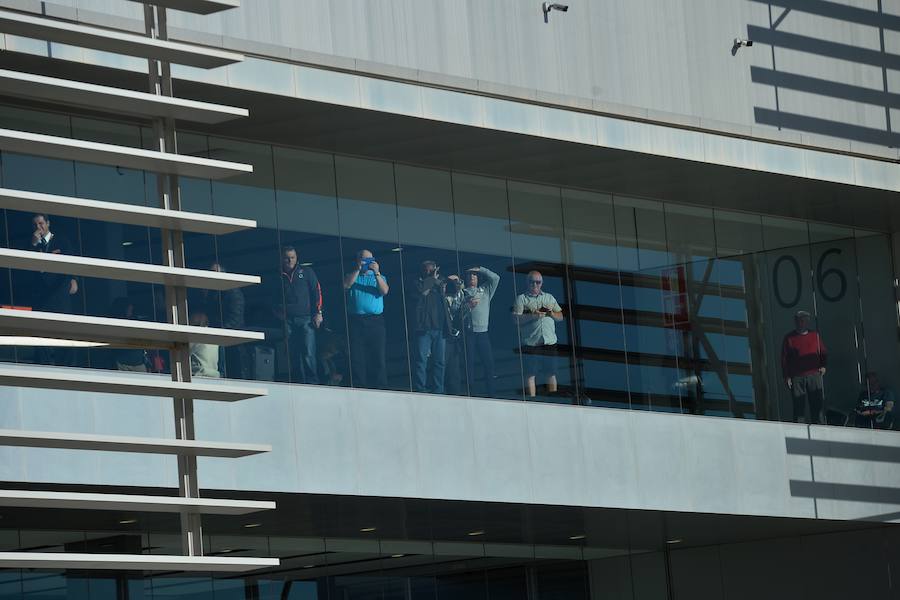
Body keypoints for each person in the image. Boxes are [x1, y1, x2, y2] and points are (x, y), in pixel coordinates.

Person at [513, 270, 564, 398]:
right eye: (532, 282)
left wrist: (551, 313)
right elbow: (515, 320)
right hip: (531, 343)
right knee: (530, 374)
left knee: (551, 373)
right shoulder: (521, 298)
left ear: (542, 283)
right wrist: (533, 316)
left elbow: (560, 316)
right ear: (527, 282)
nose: (535, 284)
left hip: (549, 342)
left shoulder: (549, 297)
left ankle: (553, 399)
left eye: (538, 282)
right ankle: (532, 401)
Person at [343, 249, 389, 389]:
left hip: (375, 321)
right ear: (358, 261)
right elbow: (346, 285)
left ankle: (380, 385)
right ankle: (359, 385)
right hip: (356, 321)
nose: (367, 263)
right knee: (357, 355)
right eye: (364, 260)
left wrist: (376, 273)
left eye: (370, 260)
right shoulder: (352, 276)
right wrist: (358, 269)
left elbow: (384, 291)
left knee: (378, 354)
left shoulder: (379, 277)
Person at [277, 246, 323, 384]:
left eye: (292, 257)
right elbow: (272, 296)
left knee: (308, 351)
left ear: (296, 258)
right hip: (288, 320)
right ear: (282, 259)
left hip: (306, 318)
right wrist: (278, 312)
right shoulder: (278, 276)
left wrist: (318, 312)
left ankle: (312, 381)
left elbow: (317, 291)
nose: (290, 260)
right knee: (292, 352)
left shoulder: (306, 271)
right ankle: (297, 381)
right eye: (287, 258)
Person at [409, 260, 453, 394]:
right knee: (421, 360)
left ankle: (438, 389)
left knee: (439, 361)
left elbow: (448, 290)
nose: (428, 272)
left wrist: (444, 283)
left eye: (431, 270)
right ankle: (420, 389)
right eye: (426, 270)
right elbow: (423, 292)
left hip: (439, 328)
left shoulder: (439, 283)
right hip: (424, 328)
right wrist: (432, 279)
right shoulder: (417, 282)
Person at [781, 310, 827, 424]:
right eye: (799, 320)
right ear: (795, 321)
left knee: (817, 404)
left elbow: (823, 351)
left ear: (807, 322)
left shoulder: (814, 335)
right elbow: (784, 359)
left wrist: (823, 365)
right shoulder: (789, 338)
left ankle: (819, 428)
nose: (802, 322)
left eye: (804, 320)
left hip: (814, 374)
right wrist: (787, 376)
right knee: (798, 406)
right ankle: (799, 430)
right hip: (797, 376)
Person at [27, 213, 77, 313]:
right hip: (41, 299)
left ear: (48, 223)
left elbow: (71, 264)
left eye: (41, 223)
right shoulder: (32, 244)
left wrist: (73, 279)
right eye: (35, 225)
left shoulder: (61, 241)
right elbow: (27, 267)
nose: (38, 227)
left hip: (59, 295)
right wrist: (33, 244)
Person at [462, 266, 501, 396]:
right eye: (469, 275)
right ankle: (470, 392)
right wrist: (468, 306)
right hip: (469, 333)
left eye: (474, 275)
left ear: (478, 277)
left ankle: (491, 392)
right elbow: (456, 312)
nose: (472, 277)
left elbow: (496, 278)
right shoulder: (462, 292)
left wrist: (481, 269)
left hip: (483, 333)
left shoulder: (485, 290)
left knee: (489, 363)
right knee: (469, 364)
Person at [444, 274, 468, 395]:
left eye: (458, 282)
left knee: (455, 368)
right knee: (444, 365)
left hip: (456, 337)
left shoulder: (461, 295)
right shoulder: (444, 297)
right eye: (454, 283)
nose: (456, 285)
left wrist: (459, 282)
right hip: (445, 336)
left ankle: (455, 392)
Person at [189, 312, 220, 378]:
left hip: (199, 374)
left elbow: (182, 352)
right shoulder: (214, 336)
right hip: (214, 376)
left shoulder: (196, 336)